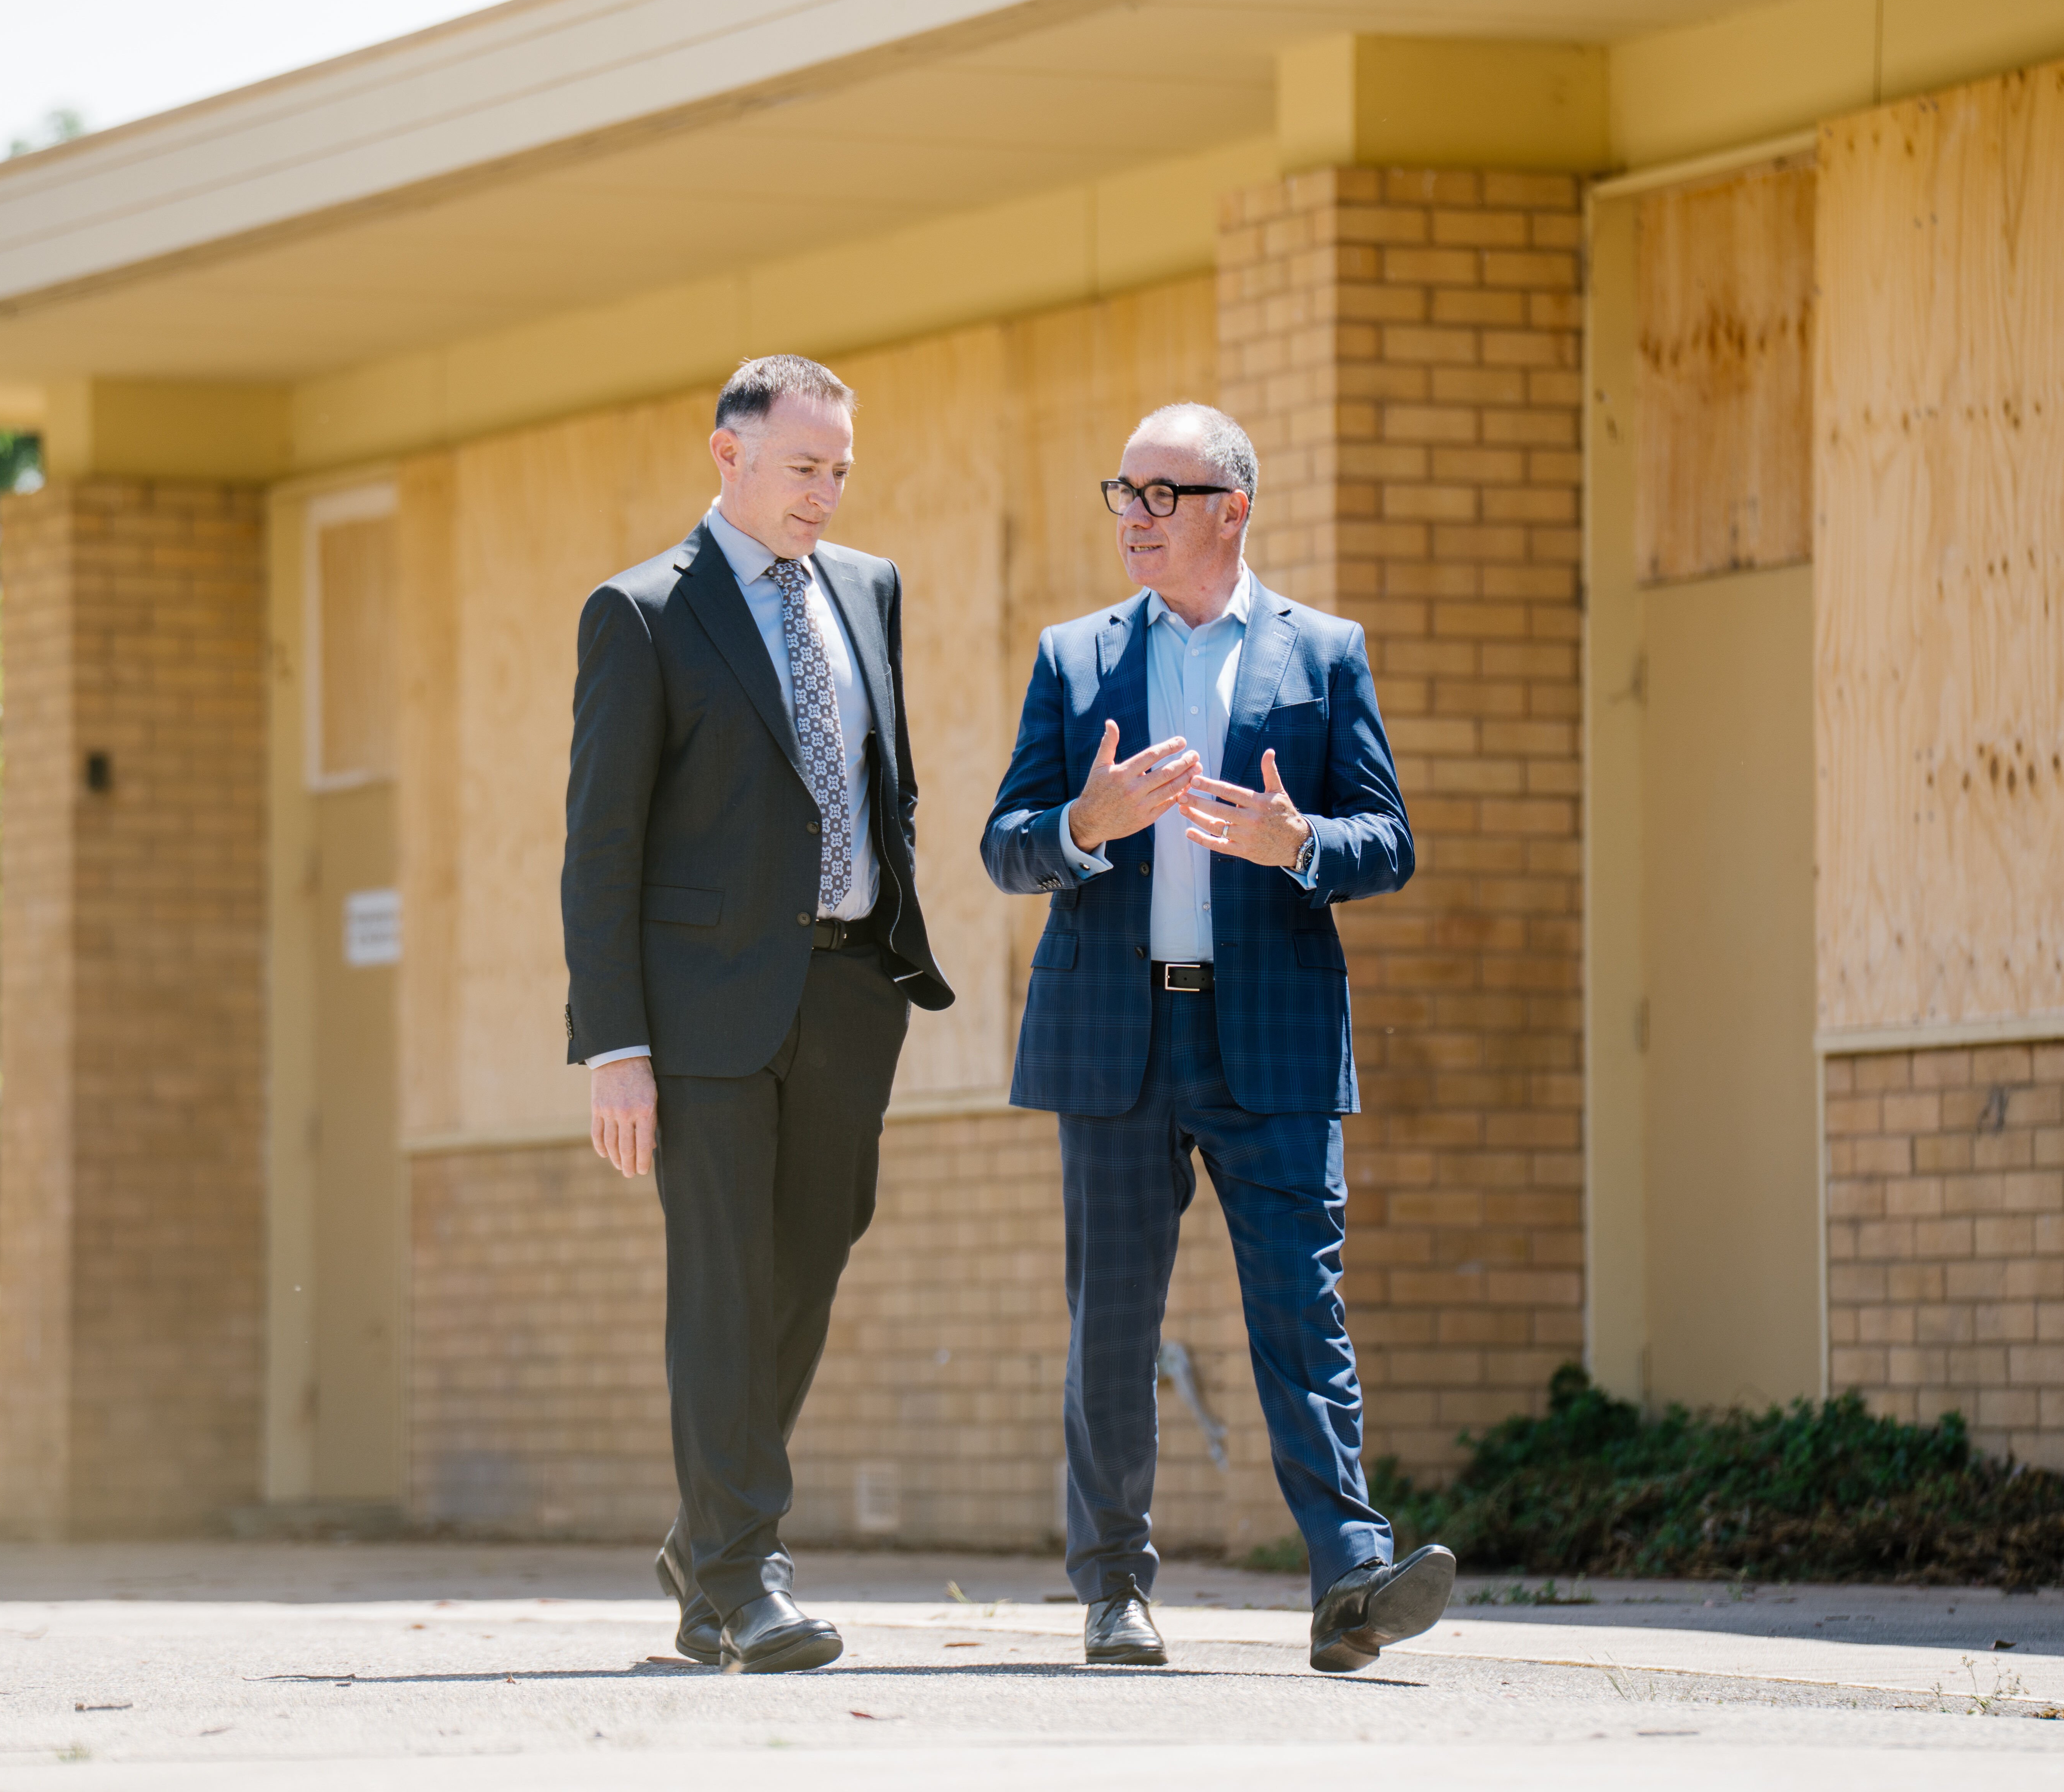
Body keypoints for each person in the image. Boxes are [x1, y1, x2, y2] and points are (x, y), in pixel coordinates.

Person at [981, 402, 1451, 1674]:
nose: (1134, 516)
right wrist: (1083, 821)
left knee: (1303, 1308)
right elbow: (1005, 843)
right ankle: (1115, 1591)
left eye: (1161, 495)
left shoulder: (1326, 653)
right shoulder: (1075, 659)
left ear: (1232, 508)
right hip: (1113, 1037)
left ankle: (1352, 1576)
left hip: (1276, 1040)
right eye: (1122, 493)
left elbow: (1388, 843)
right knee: (1114, 1327)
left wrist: (1294, 844)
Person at [563, 354, 951, 1674]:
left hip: (849, 991)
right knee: (721, 1286)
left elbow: (881, 781)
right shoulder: (642, 612)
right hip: (702, 1010)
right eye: (804, 467)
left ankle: (700, 1543)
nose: (825, 494)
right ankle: (745, 1574)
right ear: (726, 455)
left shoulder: (869, 591)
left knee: (806, 1267)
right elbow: (599, 847)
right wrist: (616, 1046)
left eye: (841, 468)